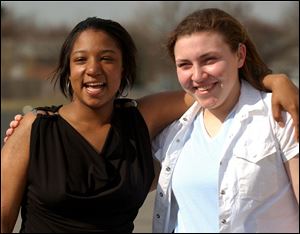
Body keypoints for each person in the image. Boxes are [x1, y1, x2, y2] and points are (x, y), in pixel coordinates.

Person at [2, 15, 299, 233]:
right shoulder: (34, 128)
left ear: (124, 69)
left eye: (107, 58)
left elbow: (212, 87)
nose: (93, 69)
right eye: (81, 60)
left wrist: (276, 81)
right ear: (68, 69)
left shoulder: (143, 118)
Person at [151, 8, 299, 233]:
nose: (198, 75)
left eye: (209, 59)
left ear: (240, 55)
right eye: (185, 65)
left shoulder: (281, 117)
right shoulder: (171, 134)